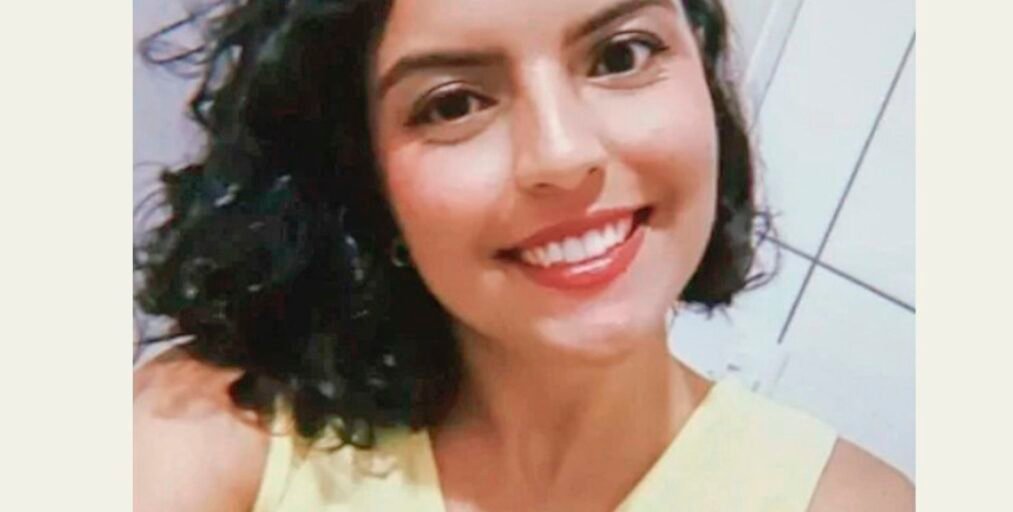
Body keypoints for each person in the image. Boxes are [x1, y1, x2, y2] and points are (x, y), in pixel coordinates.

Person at [133, 0, 915, 510]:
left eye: (620, 56)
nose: (563, 154)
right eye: (453, 104)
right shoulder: (213, 433)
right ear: (364, 179)